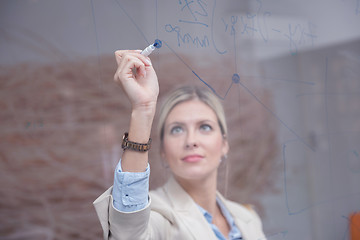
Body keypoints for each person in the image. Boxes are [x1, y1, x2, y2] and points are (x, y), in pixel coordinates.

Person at [93, 49, 266, 240]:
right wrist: (143, 109)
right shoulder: (157, 216)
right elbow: (128, 234)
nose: (191, 141)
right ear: (163, 151)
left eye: (205, 127)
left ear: (224, 144)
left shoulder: (248, 219)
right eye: (177, 130)